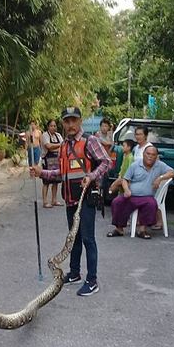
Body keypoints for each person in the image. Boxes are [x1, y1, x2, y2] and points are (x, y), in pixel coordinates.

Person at [30, 106, 111, 296]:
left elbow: (107, 162)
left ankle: (92, 281)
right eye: (67, 121)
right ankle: (74, 273)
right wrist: (41, 172)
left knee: (88, 239)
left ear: (80, 121)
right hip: (70, 200)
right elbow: (60, 172)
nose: (71, 124)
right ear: (63, 124)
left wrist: (91, 176)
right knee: (73, 238)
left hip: (86, 199)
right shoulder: (64, 146)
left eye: (74, 120)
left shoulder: (89, 141)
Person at [107, 145, 174, 239]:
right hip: (131, 195)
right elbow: (125, 180)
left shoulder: (159, 165)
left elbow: (173, 172)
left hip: (147, 196)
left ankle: (142, 230)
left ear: (156, 156)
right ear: (143, 154)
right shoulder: (135, 165)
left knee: (151, 204)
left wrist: (160, 178)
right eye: (148, 154)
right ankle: (119, 229)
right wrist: (126, 190)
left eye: (153, 154)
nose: (150, 156)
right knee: (117, 202)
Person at [40, 119, 63, 208]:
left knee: (55, 181)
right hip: (47, 160)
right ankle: (45, 201)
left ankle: (54, 200)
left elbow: (62, 146)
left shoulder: (58, 135)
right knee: (46, 182)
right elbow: (48, 146)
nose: (53, 127)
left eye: (54, 126)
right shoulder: (45, 135)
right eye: (51, 126)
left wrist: (57, 146)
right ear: (48, 127)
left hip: (56, 160)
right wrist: (59, 145)